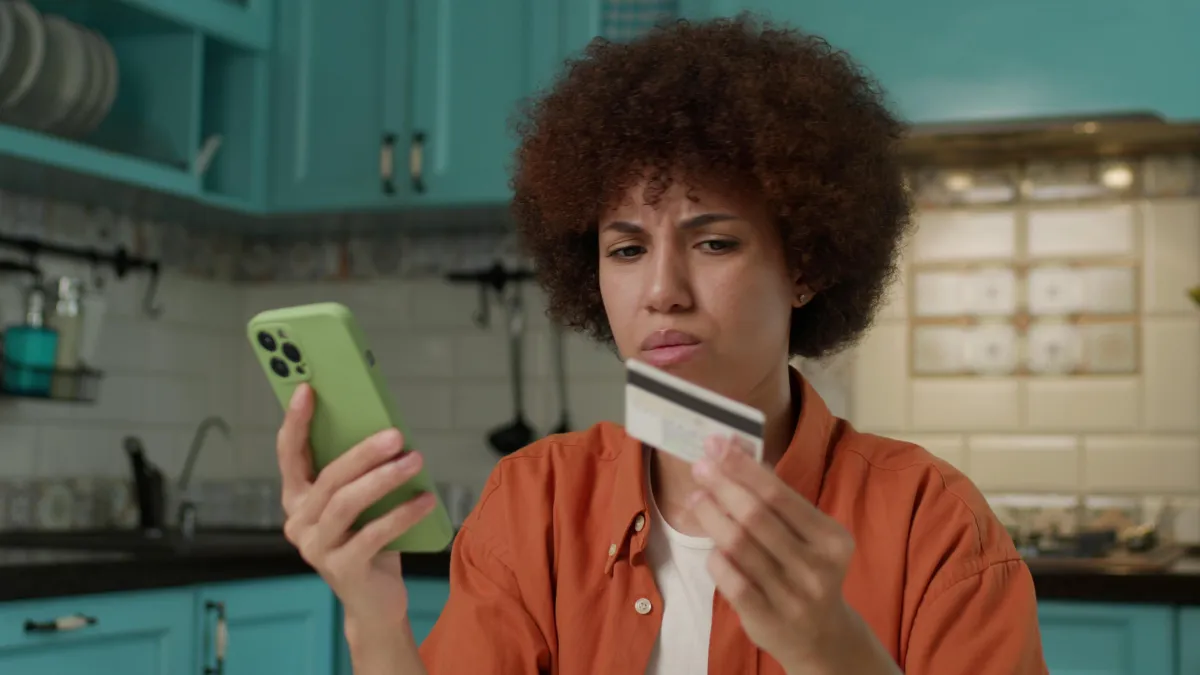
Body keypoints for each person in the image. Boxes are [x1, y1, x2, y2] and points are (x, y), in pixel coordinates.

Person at [274, 14, 1049, 675]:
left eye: (713, 243)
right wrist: (371, 612)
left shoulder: (932, 520)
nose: (661, 290)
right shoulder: (533, 502)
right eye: (627, 249)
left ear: (805, 265)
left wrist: (834, 651)